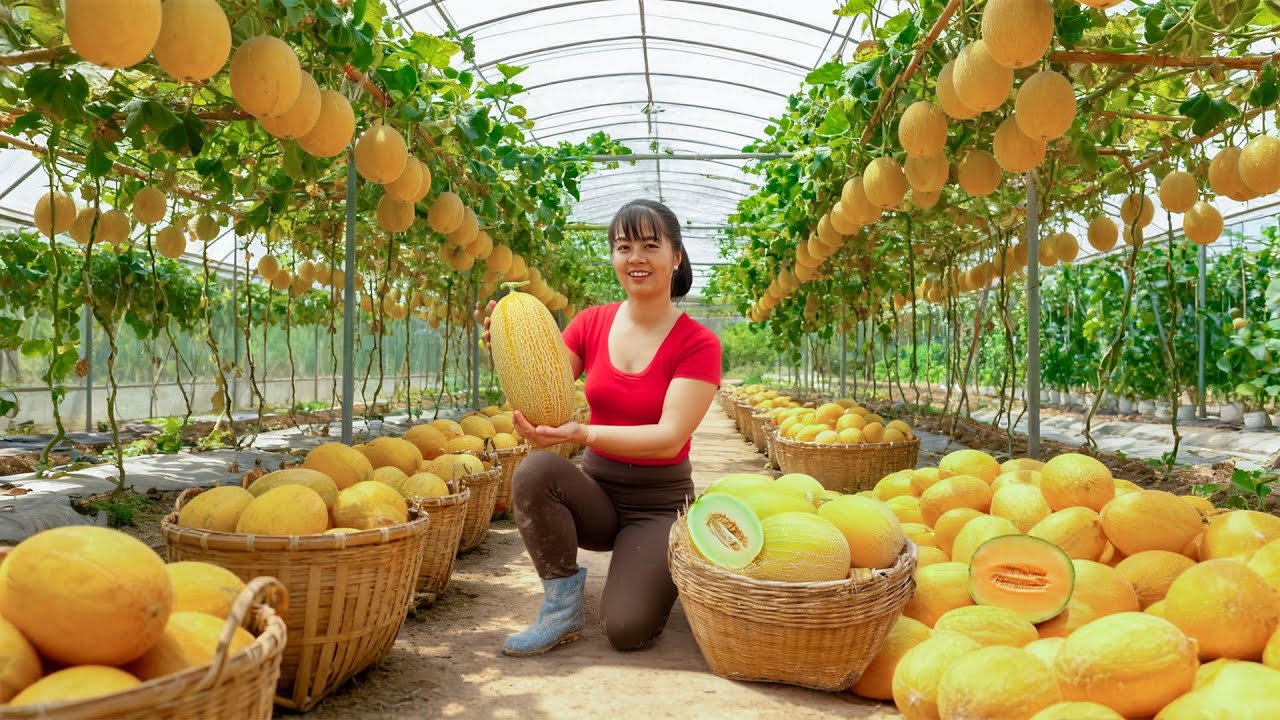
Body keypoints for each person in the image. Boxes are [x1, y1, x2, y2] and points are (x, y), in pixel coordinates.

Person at [483, 199, 722, 656]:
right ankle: (561, 606)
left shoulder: (699, 343)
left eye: (651, 246)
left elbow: (668, 437)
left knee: (626, 629)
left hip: (657, 506)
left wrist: (582, 434)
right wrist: (507, 346)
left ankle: (655, 569)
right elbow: (542, 388)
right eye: (623, 246)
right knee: (534, 471)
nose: (636, 257)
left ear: (675, 257)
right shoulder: (591, 323)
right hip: (596, 494)